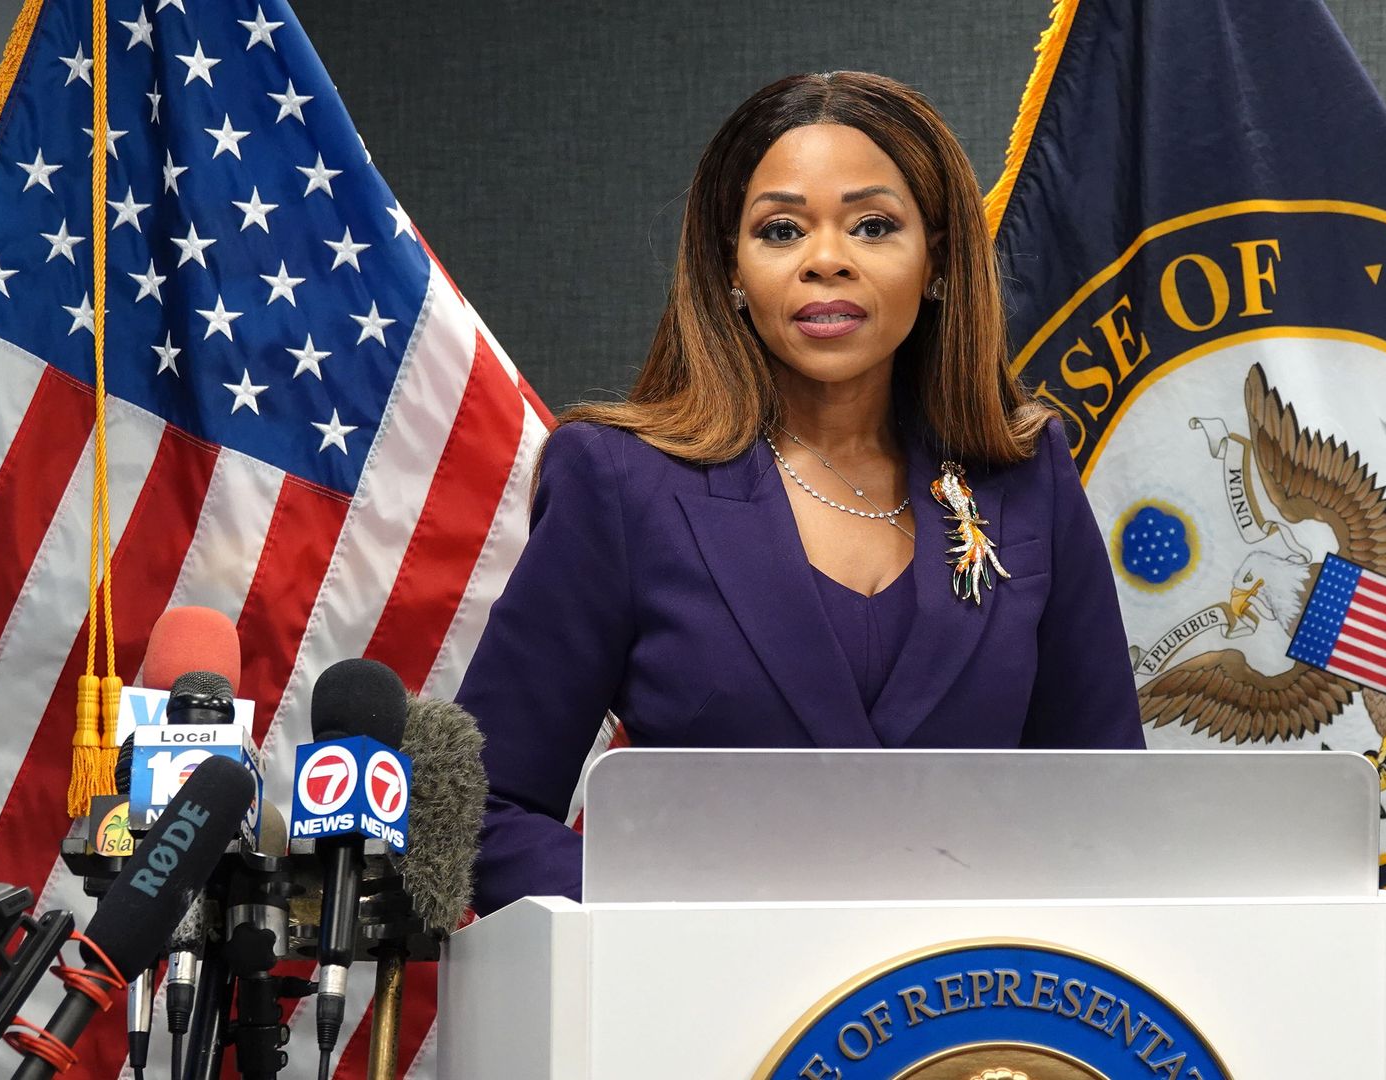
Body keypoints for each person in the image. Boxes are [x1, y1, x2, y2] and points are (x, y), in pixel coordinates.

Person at [459, 71, 1143, 914]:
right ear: (731, 270)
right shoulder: (620, 482)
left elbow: (1108, 811)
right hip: (704, 1012)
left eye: (873, 226)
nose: (826, 259)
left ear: (936, 260)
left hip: (973, 1020)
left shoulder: (1028, 477)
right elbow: (485, 809)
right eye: (782, 229)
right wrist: (669, 917)